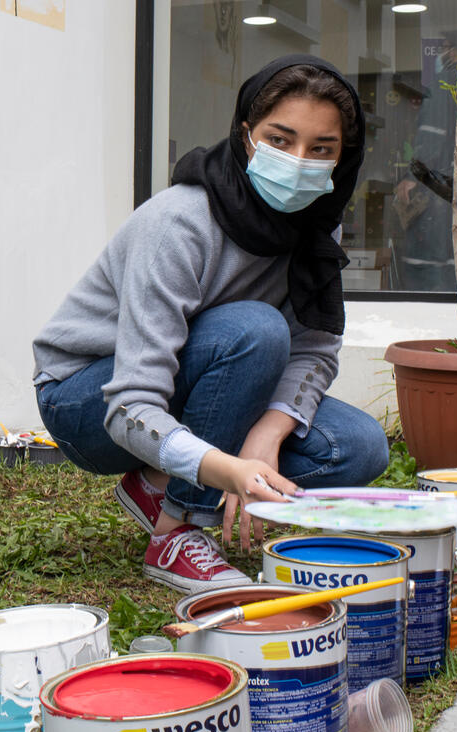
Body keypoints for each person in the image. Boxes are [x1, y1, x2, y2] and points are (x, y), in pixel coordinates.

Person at [31, 55, 390, 594]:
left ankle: (160, 482)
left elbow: (314, 350)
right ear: (246, 135)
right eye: (280, 138)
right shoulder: (179, 222)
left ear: (344, 157)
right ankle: (179, 532)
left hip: (211, 382)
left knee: (359, 446)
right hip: (90, 401)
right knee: (257, 329)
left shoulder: (318, 226)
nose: (298, 161)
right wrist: (225, 472)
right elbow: (130, 406)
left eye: (321, 149)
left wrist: (262, 444)